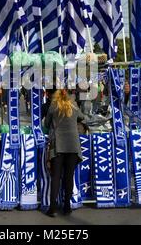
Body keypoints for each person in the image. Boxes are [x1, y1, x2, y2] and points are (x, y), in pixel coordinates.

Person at [44, 89, 84, 217]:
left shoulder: (53, 106)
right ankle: (67, 206)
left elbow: (46, 124)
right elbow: (82, 117)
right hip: (73, 145)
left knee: (55, 177)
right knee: (69, 176)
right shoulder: (73, 105)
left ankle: (53, 208)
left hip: (58, 145)